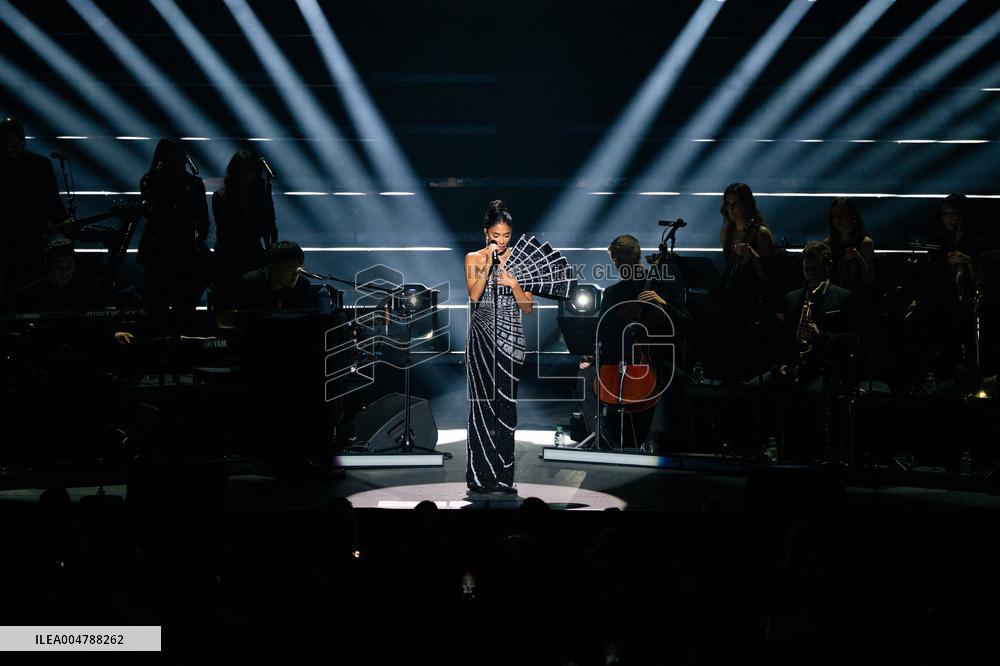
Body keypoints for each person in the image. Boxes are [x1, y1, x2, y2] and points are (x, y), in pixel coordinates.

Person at [592, 234, 693, 452]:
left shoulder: (662, 285)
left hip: (656, 360)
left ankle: (654, 439)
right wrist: (617, 319)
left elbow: (688, 321)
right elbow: (601, 334)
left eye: (620, 259)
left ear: (636, 255)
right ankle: (603, 434)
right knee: (586, 376)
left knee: (673, 378)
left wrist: (664, 304)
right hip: (620, 360)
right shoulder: (613, 293)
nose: (617, 265)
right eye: (614, 260)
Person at [464, 200, 533, 494]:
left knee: (506, 410)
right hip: (481, 342)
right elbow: (474, 295)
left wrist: (515, 284)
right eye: (496, 236)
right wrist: (489, 265)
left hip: (511, 342)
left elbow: (527, 308)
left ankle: (505, 477)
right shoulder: (474, 258)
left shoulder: (522, 260)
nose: (502, 242)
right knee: (481, 409)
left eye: (506, 236)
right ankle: (480, 477)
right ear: (486, 234)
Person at [0, 117, 69, 309]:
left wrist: (62, 222)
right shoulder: (38, 164)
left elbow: (53, 200)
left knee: (33, 284)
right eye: (10, 143)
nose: (15, 147)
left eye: (19, 143)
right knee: (15, 284)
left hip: (34, 237)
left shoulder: (40, 164)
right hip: (11, 238)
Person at [136, 138, 210, 314]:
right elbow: (151, 212)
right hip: (159, 248)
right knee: (157, 299)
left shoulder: (194, 184)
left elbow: (202, 217)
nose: (182, 160)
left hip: (186, 248)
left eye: (183, 156)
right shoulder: (152, 181)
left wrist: (199, 235)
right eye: (178, 156)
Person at [714, 182, 776, 380]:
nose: (731, 209)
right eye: (728, 204)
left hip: (752, 302)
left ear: (747, 204)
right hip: (732, 300)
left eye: (736, 204)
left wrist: (752, 255)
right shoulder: (728, 233)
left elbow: (770, 276)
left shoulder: (760, 233)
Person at [211, 149, 277, 309]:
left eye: (252, 172)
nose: (248, 177)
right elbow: (228, 229)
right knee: (228, 299)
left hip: (253, 252)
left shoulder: (261, 195)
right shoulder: (221, 196)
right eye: (244, 172)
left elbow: (270, 225)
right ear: (235, 172)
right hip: (229, 255)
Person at [229, 240, 312, 311]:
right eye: (290, 270)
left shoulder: (302, 285)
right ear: (273, 268)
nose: (295, 275)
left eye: (299, 270)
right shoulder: (249, 284)